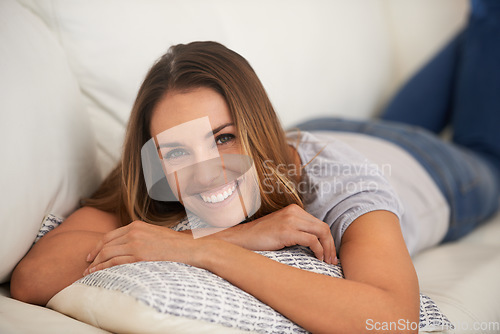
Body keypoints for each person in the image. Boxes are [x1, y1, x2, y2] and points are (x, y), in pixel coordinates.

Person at [10, 3, 499, 332]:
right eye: (177, 151)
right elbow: (33, 279)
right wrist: (224, 241)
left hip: (436, 167)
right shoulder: (154, 176)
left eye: (223, 138)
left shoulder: (339, 184)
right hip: (329, 126)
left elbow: (393, 321)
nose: (203, 172)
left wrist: (202, 252)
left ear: (254, 126)